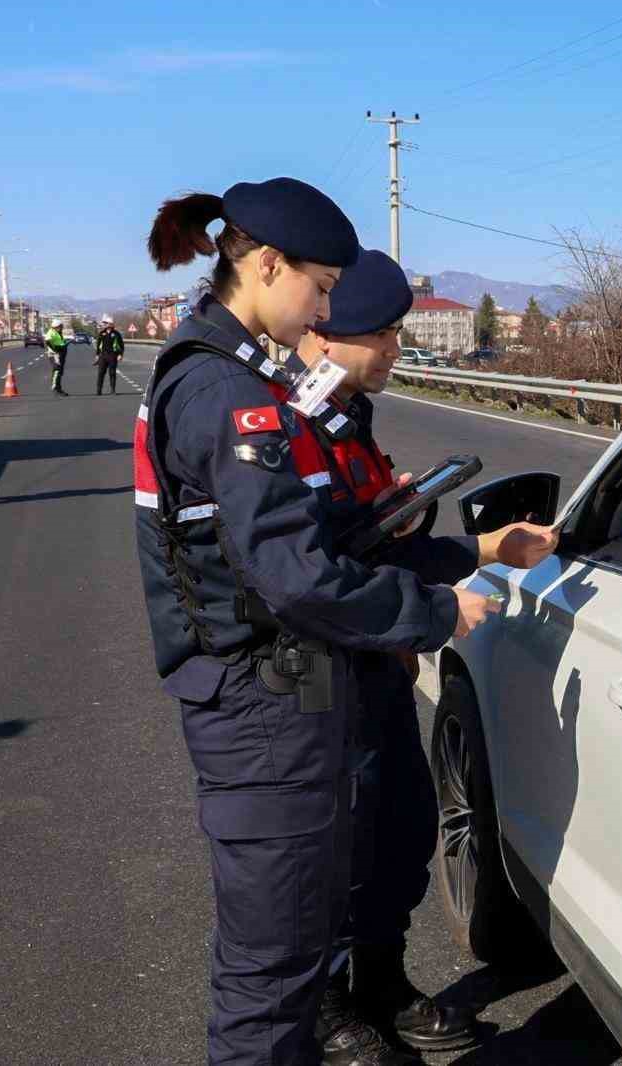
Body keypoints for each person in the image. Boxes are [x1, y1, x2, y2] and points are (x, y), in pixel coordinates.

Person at [135, 178, 502, 1066]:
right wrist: (436, 610)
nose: (327, 306)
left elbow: (308, 540)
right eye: (324, 286)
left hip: (284, 696)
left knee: (288, 961)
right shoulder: (229, 395)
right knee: (272, 981)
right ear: (266, 265)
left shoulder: (231, 377)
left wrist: (437, 544)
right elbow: (295, 577)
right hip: (263, 708)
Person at [288, 249, 557, 1062]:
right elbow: (313, 574)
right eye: (391, 335)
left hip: (377, 660)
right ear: (332, 332)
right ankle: (327, 1004)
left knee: (399, 835)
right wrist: (433, 608)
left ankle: (382, 980)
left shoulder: (345, 412)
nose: (402, 350)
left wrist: (418, 525)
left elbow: (369, 541)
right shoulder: (284, 420)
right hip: (320, 676)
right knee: (336, 847)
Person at [93, 314, 124, 394]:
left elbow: (121, 345)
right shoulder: (101, 333)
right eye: (104, 323)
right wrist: (97, 355)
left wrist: (120, 354)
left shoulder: (116, 334)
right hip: (103, 356)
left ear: (110, 324)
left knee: (112, 373)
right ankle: (99, 390)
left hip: (113, 356)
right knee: (101, 373)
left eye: (106, 323)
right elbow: (98, 345)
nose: (104, 324)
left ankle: (112, 390)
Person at [44, 319, 69, 395]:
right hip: (55, 354)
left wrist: (65, 343)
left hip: (61, 352)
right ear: (57, 326)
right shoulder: (51, 332)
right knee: (57, 369)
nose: (62, 328)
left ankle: (59, 388)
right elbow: (47, 341)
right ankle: (55, 387)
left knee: (60, 371)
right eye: (61, 326)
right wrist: (55, 350)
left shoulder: (58, 332)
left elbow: (59, 342)